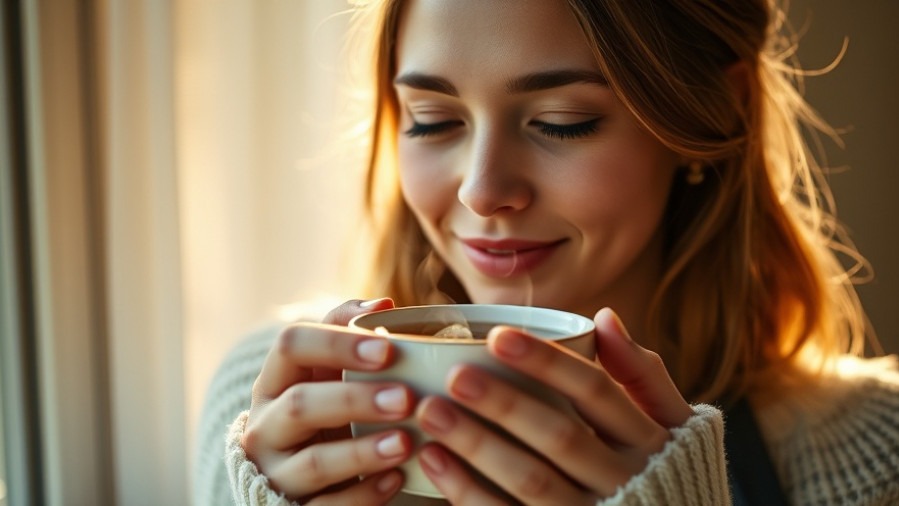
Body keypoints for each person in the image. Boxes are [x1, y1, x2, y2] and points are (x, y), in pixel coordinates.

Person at [194, 0, 899, 504]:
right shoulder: (271, 411)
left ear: (717, 110)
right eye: (432, 121)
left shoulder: (874, 455)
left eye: (563, 123)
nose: (481, 191)